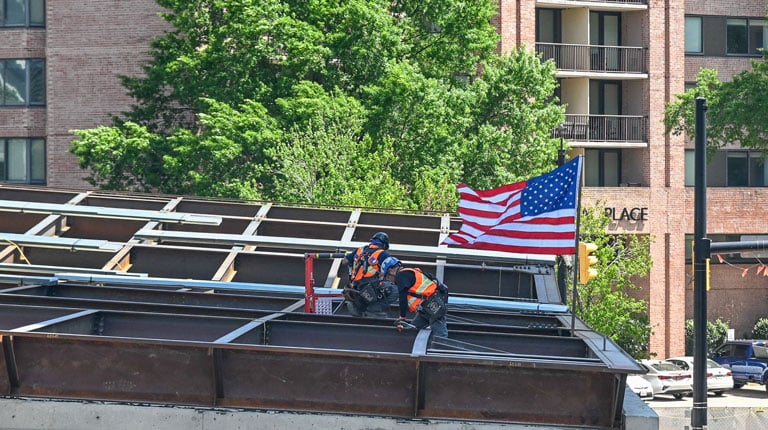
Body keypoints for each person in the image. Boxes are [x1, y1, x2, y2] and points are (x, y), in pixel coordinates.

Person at [381, 257, 449, 338]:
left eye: (388, 277)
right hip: (426, 307)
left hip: (432, 304)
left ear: (391, 271)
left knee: (439, 331)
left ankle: (440, 348)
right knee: (413, 329)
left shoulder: (401, 276)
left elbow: (402, 298)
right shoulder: (407, 274)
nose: (390, 280)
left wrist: (402, 317)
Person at [341, 231, 396, 317]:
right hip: (370, 287)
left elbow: (344, 262)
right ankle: (373, 310)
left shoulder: (360, 250)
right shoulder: (383, 254)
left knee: (367, 291)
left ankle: (358, 308)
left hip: (355, 286)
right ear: (384, 245)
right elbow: (392, 270)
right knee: (394, 289)